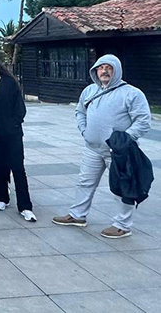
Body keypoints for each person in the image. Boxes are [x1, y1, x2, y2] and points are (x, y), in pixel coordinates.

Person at [53, 54, 151, 238]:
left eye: (109, 68)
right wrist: (84, 130)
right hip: (92, 149)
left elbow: (143, 121)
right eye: (100, 67)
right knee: (84, 182)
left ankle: (122, 225)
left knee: (122, 187)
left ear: (117, 70)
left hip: (119, 152)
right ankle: (77, 215)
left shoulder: (132, 93)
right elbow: (80, 111)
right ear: (95, 70)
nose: (104, 71)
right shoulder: (89, 91)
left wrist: (124, 139)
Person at [0, 55, 36, 222]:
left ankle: (25, 206)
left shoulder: (10, 83)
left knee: (18, 169)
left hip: (13, 134)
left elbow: (20, 107)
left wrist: (14, 124)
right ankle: (2, 198)